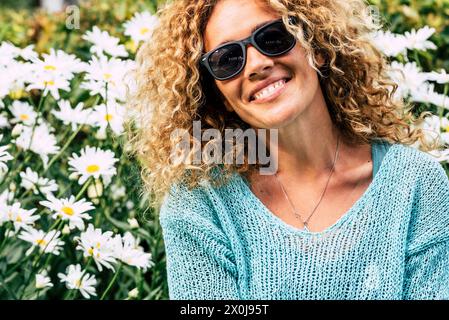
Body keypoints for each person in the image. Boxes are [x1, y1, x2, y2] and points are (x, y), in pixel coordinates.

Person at [127, 0, 449, 299]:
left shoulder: (416, 185)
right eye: (227, 59)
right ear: (219, 93)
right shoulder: (200, 202)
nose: (255, 65)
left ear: (319, 45)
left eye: (274, 36)